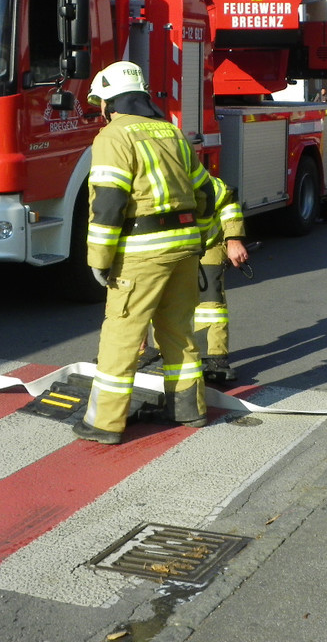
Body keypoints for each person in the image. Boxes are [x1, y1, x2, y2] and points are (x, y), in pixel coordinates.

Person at [77, 61, 217, 444]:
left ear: (107, 102)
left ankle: (104, 423)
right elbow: (206, 193)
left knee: (121, 335)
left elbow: (108, 204)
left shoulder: (112, 137)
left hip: (142, 252)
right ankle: (188, 409)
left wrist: (98, 260)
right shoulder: (172, 131)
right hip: (184, 248)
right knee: (178, 331)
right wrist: (202, 238)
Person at [195, 177, 249, 383]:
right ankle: (166, 356)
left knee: (210, 301)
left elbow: (226, 197)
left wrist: (233, 239)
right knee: (165, 304)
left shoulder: (189, 173)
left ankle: (213, 358)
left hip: (206, 244)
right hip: (166, 251)